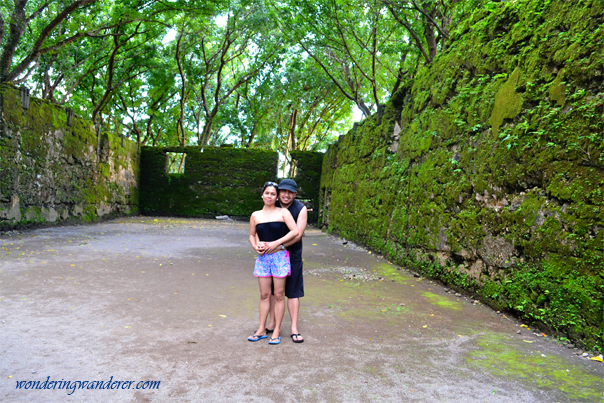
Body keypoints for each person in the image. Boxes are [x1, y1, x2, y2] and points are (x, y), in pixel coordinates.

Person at [248, 181, 298, 345]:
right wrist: (256, 247)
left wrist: (276, 243)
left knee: (278, 295)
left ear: (276, 197)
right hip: (263, 258)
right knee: (264, 294)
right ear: (262, 195)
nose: (269, 196)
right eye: (267, 193)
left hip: (279, 257)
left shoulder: (283, 212)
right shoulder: (255, 215)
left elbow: (295, 231)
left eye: (273, 194)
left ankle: (276, 329)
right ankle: (262, 328)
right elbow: (252, 235)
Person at [265, 179, 308, 343]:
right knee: (272, 291)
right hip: (272, 255)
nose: (286, 195)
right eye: (283, 191)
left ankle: (294, 328)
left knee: (293, 291)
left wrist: (279, 246)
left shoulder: (300, 209)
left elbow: (297, 235)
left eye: (290, 192)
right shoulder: (272, 205)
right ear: (279, 192)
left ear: (295, 194)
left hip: (292, 254)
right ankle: (271, 323)